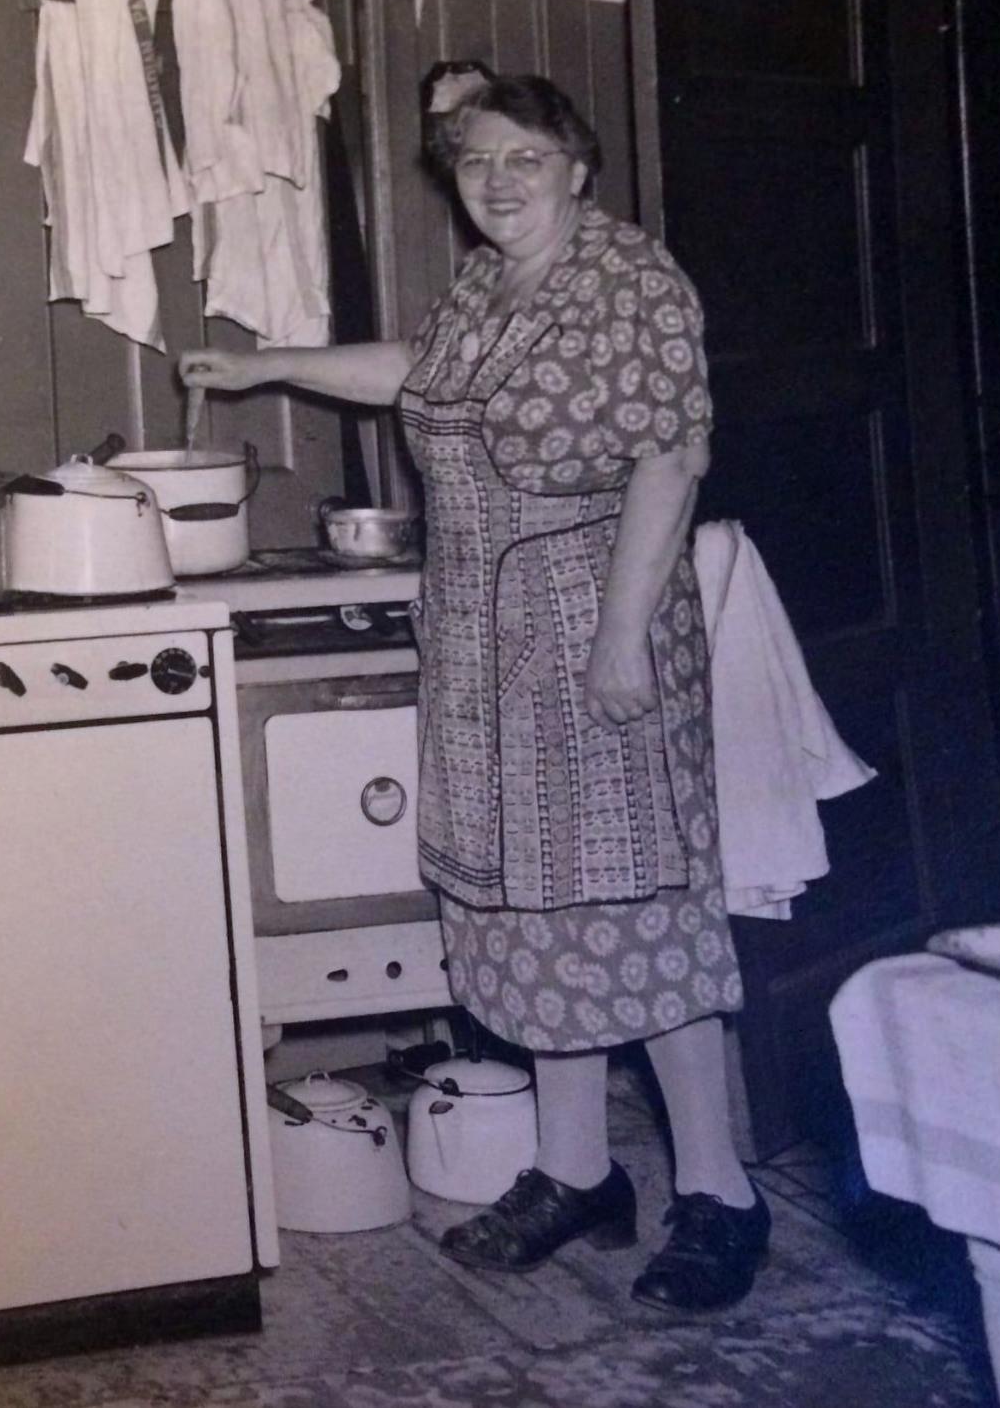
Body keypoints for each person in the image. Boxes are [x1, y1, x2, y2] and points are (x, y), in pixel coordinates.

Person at [179, 70, 768, 1313]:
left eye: (525, 160)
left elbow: (671, 459)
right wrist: (264, 364)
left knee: (634, 905)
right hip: (481, 638)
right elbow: (417, 369)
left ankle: (721, 1195)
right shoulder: (487, 287)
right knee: (522, 911)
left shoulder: (632, 282)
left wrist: (620, 640)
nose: (498, 182)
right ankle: (577, 1169)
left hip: (592, 619)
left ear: (577, 169)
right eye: (476, 161)